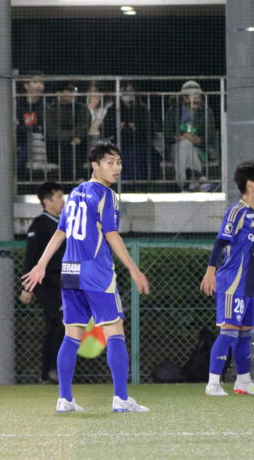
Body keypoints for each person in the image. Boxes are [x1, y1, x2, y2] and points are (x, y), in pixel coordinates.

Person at [22, 140, 151, 413]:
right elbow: (111, 234)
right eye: (110, 163)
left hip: (70, 271)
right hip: (96, 271)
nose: (116, 168)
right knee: (115, 330)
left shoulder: (75, 194)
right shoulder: (107, 195)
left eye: (119, 162)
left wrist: (41, 264)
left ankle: (65, 399)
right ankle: (121, 398)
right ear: (95, 165)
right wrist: (133, 268)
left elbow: (61, 232)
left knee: (72, 335)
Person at [200, 161, 254, 396]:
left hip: (249, 285)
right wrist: (210, 271)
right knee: (228, 332)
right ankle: (213, 383)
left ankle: (243, 382)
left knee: (245, 334)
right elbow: (221, 241)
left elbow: (252, 234)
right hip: (232, 283)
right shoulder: (237, 211)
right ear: (250, 184)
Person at [20, 181, 66, 384]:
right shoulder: (39, 225)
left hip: (64, 283)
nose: (63, 201)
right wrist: (27, 287)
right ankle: (53, 369)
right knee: (61, 321)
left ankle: (48, 372)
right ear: (47, 201)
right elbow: (31, 257)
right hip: (47, 285)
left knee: (56, 325)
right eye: (59, 197)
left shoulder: (64, 223)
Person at [164, 80, 217, 192]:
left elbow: (210, 136)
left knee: (186, 145)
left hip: (199, 150)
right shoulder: (174, 110)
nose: (197, 99)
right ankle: (199, 178)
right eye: (194, 96)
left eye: (199, 96)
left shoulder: (206, 112)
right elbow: (167, 134)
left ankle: (183, 185)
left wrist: (198, 140)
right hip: (176, 149)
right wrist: (180, 138)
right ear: (185, 98)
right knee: (184, 144)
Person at [46, 82, 89, 183]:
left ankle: (69, 182)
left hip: (79, 146)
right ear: (58, 93)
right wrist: (71, 137)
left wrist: (78, 137)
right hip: (56, 147)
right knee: (67, 147)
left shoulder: (81, 108)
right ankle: (78, 179)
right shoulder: (50, 109)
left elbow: (84, 126)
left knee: (72, 148)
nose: (73, 93)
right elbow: (52, 132)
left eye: (74, 90)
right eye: (69, 90)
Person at [119, 83, 161, 182]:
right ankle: (126, 185)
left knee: (147, 154)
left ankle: (139, 184)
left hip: (140, 143)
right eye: (124, 91)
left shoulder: (142, 109)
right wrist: (120, 128)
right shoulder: (114, 109)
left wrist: (137, 128)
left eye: (130, 91)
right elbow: (108, 129)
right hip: (120, 143)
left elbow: (150, 129)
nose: (127, 94)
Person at [16, 72, 47, 180]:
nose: (39, 85)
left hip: (42, 142)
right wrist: (33, 128)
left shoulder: (45, 106)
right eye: (35, 82)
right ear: (26, 86)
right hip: (22, 141)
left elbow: (46, 127)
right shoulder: (17, 105)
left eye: (41, 83)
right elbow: (16, 127)